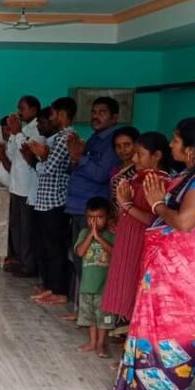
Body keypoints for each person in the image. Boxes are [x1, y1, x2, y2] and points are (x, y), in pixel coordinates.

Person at [112, 118, 195, 390]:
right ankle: (143, 385)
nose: (171, 144)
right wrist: (128, 205)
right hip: (162, 268)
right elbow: (158, 220)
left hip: (183, 272)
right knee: (152, 324)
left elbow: (184, 222)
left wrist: (157, 203)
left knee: (174, 327)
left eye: (176, 140)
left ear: (191, 148)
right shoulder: (185, 177)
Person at [103, 132, 173, 322]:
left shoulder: (158, 182)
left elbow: (157, 220)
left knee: (135, 291)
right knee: (124, 289)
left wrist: (127, 205)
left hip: (140, 245)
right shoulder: (140, 178)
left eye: (139, 154)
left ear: (156, 156)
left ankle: (132, 333)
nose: (134, 159)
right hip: (128, 242)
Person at [65, 97, 121, 306]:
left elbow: (101, 174)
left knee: (90, 260)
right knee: (78, 255)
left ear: (114, 118)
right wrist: (74, 158)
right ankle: (82, 307)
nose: (96, 116)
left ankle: (90, 309)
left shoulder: (111, 142)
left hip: (92, 210)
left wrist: (80, 157)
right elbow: (74, 168)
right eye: (94, 112)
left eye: (102, 112)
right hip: (78, 206)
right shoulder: (93, 139)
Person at [28, 97, 77, 306]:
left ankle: (59, 290)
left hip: (55, 202)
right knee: (46, 247)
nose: (51, 118)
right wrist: (43, 157)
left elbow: (48, 169)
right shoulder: (59, 137)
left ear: (62, 114)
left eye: (53, 114)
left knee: (55, 249)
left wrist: (40, 157)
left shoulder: (66, 137)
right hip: (45, 201)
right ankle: (49, 285)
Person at [4, 96, 44, 277]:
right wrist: (13, 134)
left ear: (34, 110)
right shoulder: (21, 129)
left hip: (28, 188)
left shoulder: (38, 129)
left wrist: (18, 132)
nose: (19, 112)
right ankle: (20, 260)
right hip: (16, 186)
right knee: (16, 226)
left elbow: (29, 152)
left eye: (22, 108)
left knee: (27, 228)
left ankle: (29, 265)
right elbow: (12, 153)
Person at [74, 197, 117, 358]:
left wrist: (99, 238)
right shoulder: (84, 233)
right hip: (87, 286)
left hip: (104, 288)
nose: (94, 221)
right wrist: (91, 236)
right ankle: (92, 342)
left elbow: (115, 253)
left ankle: (100, 344)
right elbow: (80, 252)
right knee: (90, 317)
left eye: (99, 217)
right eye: (91, 217)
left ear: (108, 217)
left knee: (104, 318)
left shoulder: (111, 235)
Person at [108, 125, 140, 206]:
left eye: (127, 145)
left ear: (137, 145)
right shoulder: (115, 171)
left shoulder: (140, 170)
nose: (122, 150)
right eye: (118, 146)